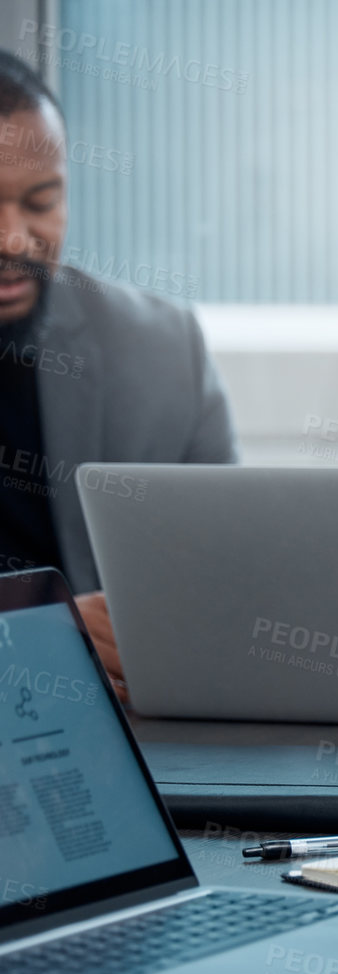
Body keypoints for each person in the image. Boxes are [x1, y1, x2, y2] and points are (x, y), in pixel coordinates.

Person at [0, 51, 235, 678]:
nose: (15, 240)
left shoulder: (158, 345)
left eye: (42, 201)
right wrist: (47, 638)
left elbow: (230, 574)